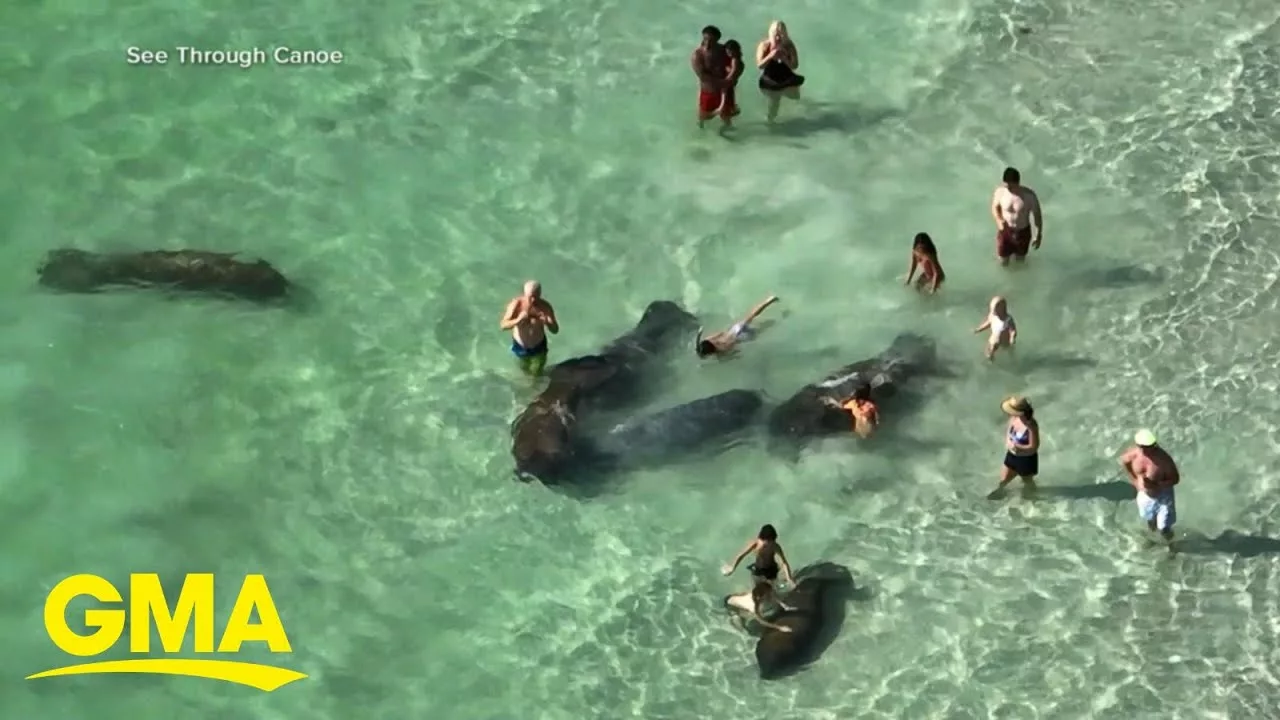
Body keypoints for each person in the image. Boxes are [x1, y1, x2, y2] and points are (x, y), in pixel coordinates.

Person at [1120, 429, 1181, 545]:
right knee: (1150, 520)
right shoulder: (1132, 456)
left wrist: (1157, 485)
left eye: (1153, 445)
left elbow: (1175, 479)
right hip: (1145, 494)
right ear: (1139, 446)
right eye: (1148, 446)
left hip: (1163, 496)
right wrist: (1135, 481)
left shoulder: (1163, 460)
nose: (1153, 448)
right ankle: (1152, 540)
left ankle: (1171, 545)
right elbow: (1124, 462)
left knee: (1163, 527)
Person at [499, 280, 559, 376]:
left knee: (538, 373)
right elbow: (503, 325)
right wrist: (518, 320)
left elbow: (555, 330)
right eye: (530, 297)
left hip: (539, 346)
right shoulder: (517, 305)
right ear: (524, 294)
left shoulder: (545, 307)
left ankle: (537, 386)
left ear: (540, 294)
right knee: (525, 371)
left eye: (536, 297)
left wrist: (547, 322)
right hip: (520, 346)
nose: (533, 300)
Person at [987, 395, 1040, 498]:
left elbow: (1034, 447)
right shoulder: (1014, 418)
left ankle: (1032, 496)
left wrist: (1019, 447)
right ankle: (1000, 491)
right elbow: (1008, 431)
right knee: (1004, 479)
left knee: (1027, 481)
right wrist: (1008, 442)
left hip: (1026, 459)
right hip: (1012, 455)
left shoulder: (1031, 425)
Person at [695, 295, 779, 358]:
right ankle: (769, 300)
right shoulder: (709, 339)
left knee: (761, 329)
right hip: (735, 330)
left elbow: (735, 350)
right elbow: (720, 333)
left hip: (741, 338)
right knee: (751, 315)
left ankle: (777, 319)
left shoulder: (720, 352)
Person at [990, 167, 1043, 266]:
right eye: (1006, 184)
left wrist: (1038, 235)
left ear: (1017, 182)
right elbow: (994, 207)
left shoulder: (1029, 196)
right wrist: (999, 220)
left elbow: (1037, 216)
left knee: (1020, 262)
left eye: (1011, 185)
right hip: (1005, 231)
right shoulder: (1001, 192)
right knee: (1003, 262)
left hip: (1022, 233)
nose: (1008, 188)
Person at [756, 21, 805, 123]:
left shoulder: (789, 45)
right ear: (771, 35)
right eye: (776, 35)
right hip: (771, 79)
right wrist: (770, 56)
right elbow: (760, 65)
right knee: (774, 102)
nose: (778, 38)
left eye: (781, 36)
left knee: (796, 97)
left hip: (787, 76)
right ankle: (770, 121)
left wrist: (785, 58)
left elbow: (795, 66)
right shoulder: (764, 45)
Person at [722, 523, 796, 589]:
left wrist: (789, 579)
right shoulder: (756, 543)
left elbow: (784, 562)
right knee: (757, 590)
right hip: (758, 570)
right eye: (768, 541)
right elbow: (741, 555)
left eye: (772, 541)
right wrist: (732, 567)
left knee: (771, 589)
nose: (769, 543)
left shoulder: (775, 546)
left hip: (771, 570)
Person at [691, 26, 728, 128]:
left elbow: (737, 64)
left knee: (727, 117)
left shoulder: (723, 50)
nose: (707, 43)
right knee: (703, 117)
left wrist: (732, 78)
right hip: (708, 92)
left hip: (724, 90)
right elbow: (703, 76)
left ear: (717, 40)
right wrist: (724, 82)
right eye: (705, 39)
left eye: (711, 40)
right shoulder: (698, 55)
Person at [973, 295, 1017, 361]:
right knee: (989, 349)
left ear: (1002, 309)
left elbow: (1013, 330)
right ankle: (989, 359)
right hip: (993, 338)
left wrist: (1012, 338)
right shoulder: (992, 316)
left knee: (1008, 350)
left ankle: (1012, 359)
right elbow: (988, 323)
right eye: (991, 309)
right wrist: (979, 329)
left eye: (994, 310)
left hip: (1004, 339)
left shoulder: (1008, 319)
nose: (992, 311)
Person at [719, 40, 746, 126]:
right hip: (729, 87)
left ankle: (727, 126)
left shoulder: (735, 61)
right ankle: (728, 122)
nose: (729, 52)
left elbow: (731, 75)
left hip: (728, 87)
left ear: (736, 50)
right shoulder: (734, 60)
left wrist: (719, 83)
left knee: (725, 110)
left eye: (731, 51)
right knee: (726, 109)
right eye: (727, 51)